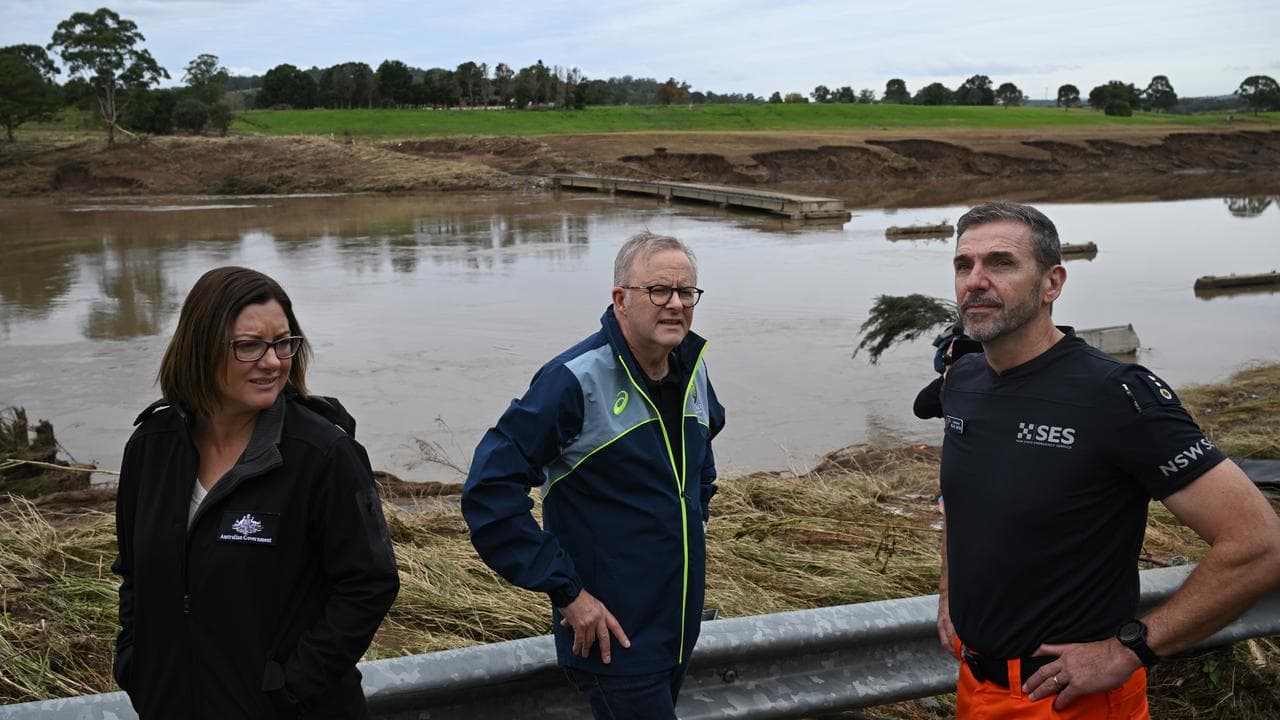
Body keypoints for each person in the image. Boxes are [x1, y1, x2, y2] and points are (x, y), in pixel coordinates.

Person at [934, 201, 1280, 718]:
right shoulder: (962, 380)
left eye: (1001, 263)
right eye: (965, 265)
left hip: (1071, 700)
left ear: (1052, 283)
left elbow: (1260, 544)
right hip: (974, 687)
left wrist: (1130, 649)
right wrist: (949, 592)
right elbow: (965, 502)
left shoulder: (1116, 395)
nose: (975, 281)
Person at [112, 266, 399, 719]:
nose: (272, 361)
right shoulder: (151, 448)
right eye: (249, 345)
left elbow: (368, 583)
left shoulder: (323, 455)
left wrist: (290, 688)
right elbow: (133, 573)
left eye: (284, 343)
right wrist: (135, 662)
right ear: (200, 346)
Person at [462, 231, 725, 719]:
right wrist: (568, 593)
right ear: (620, 299)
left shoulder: (691, 369)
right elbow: (489, 492)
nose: (675, 305)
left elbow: (702, 448)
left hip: (677, 628)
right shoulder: (574, 380)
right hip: (612, 638)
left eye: (686, 292)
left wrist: (694, 512)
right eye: (658, 291)